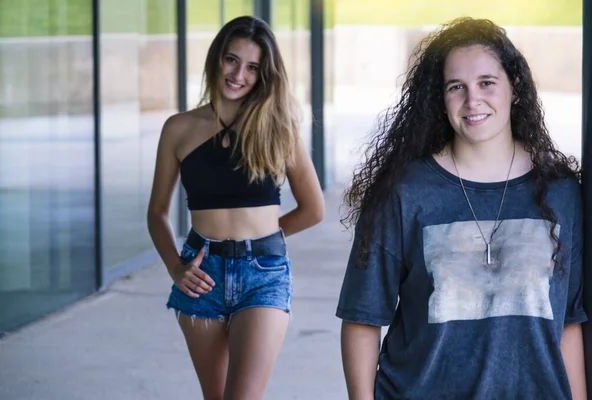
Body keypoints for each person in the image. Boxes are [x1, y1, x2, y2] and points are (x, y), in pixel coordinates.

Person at [336, 17, 587, 400]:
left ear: (514, 89)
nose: (473, 100)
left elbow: (569, 321)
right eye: (457, 87)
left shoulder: (561, 192)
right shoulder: (404, 192)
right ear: (441, 98)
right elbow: (361, 318)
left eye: (487, 82)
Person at [147, 15, 324, 400]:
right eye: (232, 60)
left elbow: (313, 208)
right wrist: (176, 266)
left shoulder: (278, 127)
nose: (238, 74)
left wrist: (259, 239)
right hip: (201, 272)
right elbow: (157, 212)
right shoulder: (179, 128)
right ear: (216, 59)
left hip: (263, 274)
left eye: (252, 67)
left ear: (264, 74)